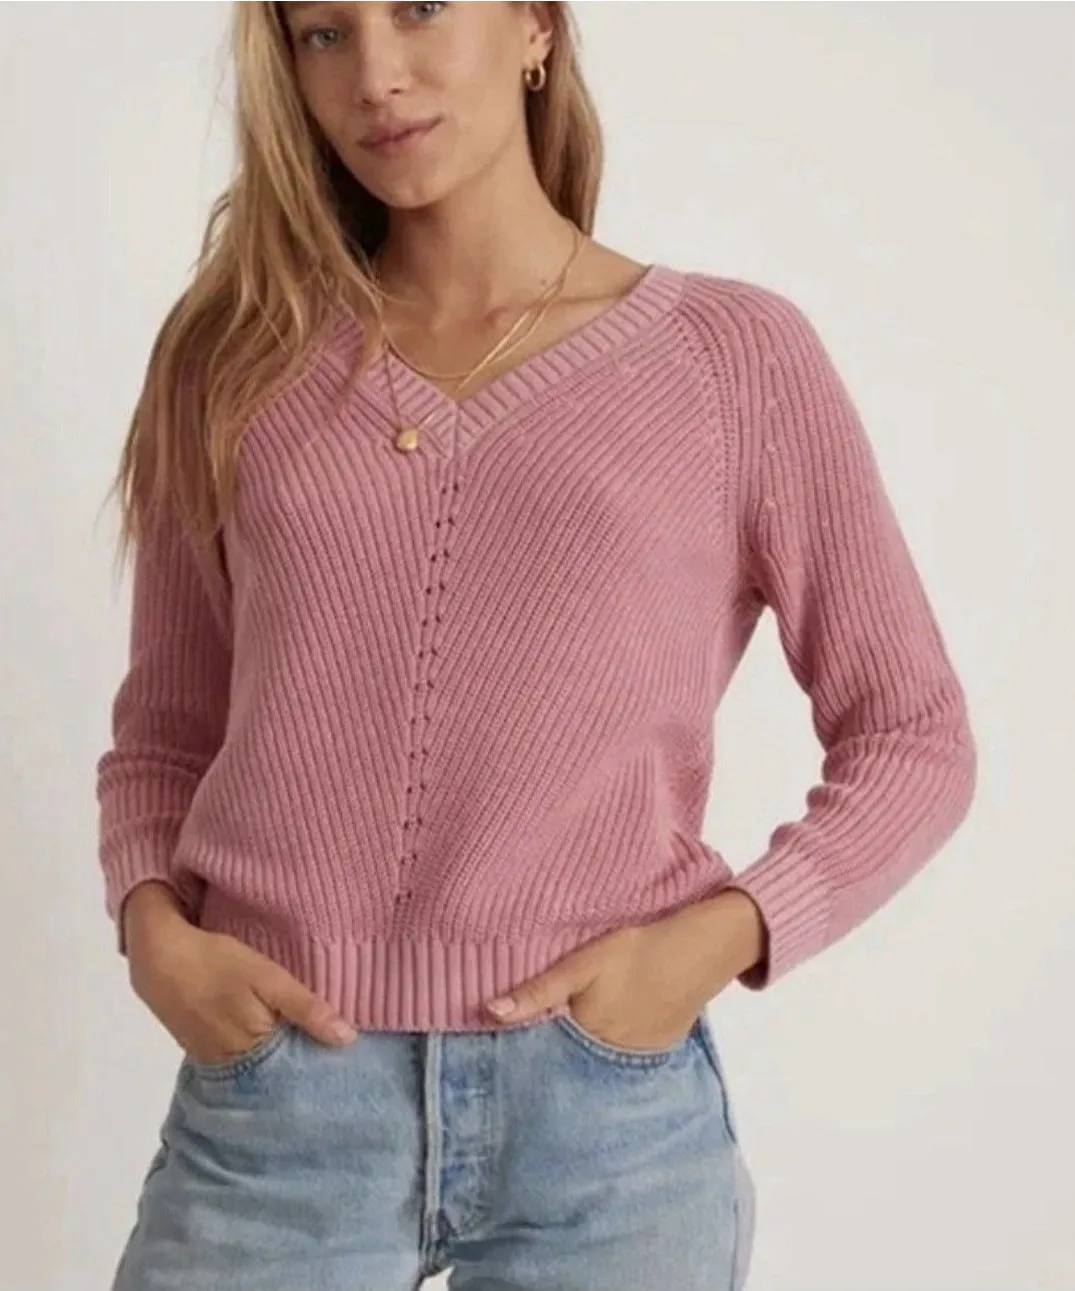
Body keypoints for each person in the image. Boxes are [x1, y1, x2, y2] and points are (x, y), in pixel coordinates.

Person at [95, 3, 977, 1288]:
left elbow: (912, 733)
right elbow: (168, 733)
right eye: (321, 34)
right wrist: (152, 933)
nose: (374, 76)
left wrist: (720, 937)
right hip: (279, 1097)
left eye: (418, 9)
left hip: (605, 1119)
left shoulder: (729, 358)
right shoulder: (233, 358)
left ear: (533, 28)